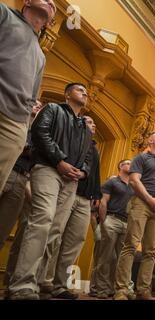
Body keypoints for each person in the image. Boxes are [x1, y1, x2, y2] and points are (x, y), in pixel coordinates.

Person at [8, 83, 92, 300]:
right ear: (67, 94)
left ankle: (38, 281)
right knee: (42, 220)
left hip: (71, 180)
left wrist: (82, 172)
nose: (85, 93)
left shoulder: (85, 126)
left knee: (55, 231)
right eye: (80, 89)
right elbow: (40, 133)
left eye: (86, 92)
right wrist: (59, 161)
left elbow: (87, 156)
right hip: (48, 169)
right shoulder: (53, 109)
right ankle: (21, 285)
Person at [39, 116, 102, 299]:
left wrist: (96, 194)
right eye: (89, 122)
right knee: (55, 235)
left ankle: (60, 285)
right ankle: (43, 280)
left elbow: (94, 174)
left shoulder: (94, 148)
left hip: (84, 198)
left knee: (75, 241)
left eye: (94, 123)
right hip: (68, 191)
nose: (93, 125)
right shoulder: (72, 140)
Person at [0, 0, 56, 193]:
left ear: (51, 21)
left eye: (53, 4)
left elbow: (32, 96)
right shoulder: (5, 15)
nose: (50, 2)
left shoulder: (41, 56)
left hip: (14, 124)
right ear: (27, 2)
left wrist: (23, 127)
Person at [114, 131, 155, 300]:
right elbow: (134, 180)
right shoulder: (141, 158)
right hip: (141, 203)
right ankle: (122, 290)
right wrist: (149, 199)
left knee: (151, 251)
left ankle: (143, 290)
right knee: (130, 245)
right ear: (151, 140)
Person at [0, 101, 42, 251]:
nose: (37, 106)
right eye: (35, 103)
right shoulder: (13, 122)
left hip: (23, 179)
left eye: (40, 105)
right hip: (6, 169)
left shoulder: (39, 134)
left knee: (4, 228)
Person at [96, 160, 134, 299]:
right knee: (105, 256)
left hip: (127, 223)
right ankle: (102, 289)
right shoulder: (112, 182)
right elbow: (103, 202)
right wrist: (103, 221)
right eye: (128, 163)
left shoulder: (133, 185)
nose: (131, 165)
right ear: (121, 166)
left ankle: (121, 289)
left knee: (123, 259)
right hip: (111, 219)